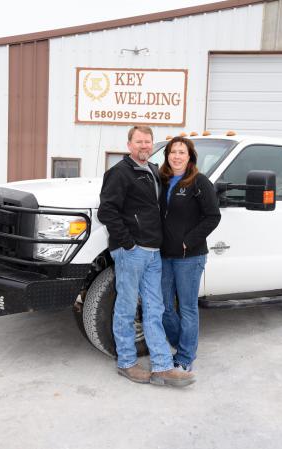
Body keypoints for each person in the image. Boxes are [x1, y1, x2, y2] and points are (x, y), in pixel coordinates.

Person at [97, 126, 195, 387]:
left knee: (155, 309)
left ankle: (162, 366)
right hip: (132, 251)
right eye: (139, 142)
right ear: (129, 145)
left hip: (153, 252)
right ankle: (127, 362)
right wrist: (128, 243)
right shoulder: (119, 173)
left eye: (147, 142)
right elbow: (107, 211)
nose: (144, 146)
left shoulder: (152, 170)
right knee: (126, 307)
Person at [159, 136, 221, 373]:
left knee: (187, 308)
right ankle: (180, 342)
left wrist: (189, 240)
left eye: (181, 152)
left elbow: (213, 216)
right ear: (167, 155)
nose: (176, 156)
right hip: (164, 255)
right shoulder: (162, 181)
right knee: (164, 306)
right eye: (173, 152)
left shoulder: (199, 182)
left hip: (190, 256)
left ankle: (185, 357)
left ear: (190, 157)